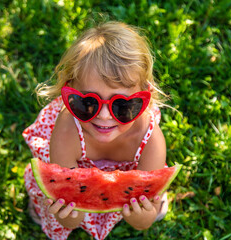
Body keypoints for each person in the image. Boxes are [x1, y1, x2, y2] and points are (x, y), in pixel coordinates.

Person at [23, 21, 170, 240]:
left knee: (150, 205)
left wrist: (142, 216)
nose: (103, 116)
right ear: (71, 90)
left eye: (121, 105)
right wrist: (68, 215)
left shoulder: (150, 139)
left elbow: (143, 224)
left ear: (143, 98)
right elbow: (68, 206)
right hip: (71, 187)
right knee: (51, 206)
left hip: (129, 199)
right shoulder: (67, 129)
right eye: (88, 102)